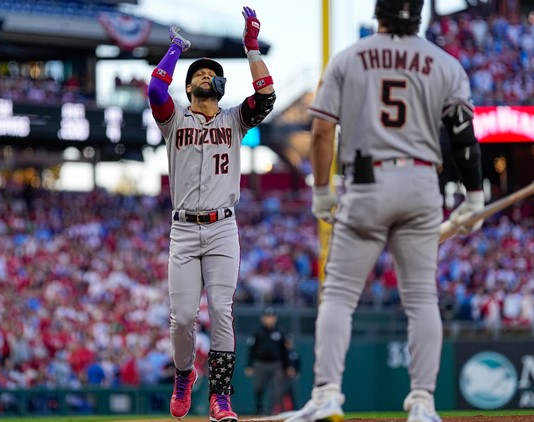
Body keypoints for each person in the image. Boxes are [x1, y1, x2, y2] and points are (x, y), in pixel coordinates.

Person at [287, 1, 484, 421]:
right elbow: (464, 136)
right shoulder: (445, 63)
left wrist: (322, 191)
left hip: (366, 180)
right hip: (420, 182)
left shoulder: (348, 58)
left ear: (379, 13)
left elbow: (322, 130)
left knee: (339, 296)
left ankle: (326, 394)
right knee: (421, 299)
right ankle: (423, 403)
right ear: (419, 16)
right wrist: (474, 196)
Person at [147, 6, 276, 422]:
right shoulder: (174, 119)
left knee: (222, 309)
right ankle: (184, 374)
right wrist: (175, 50)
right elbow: (154, 91)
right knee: (183, 318)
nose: (205, 75)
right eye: (197, 74)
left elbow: (267, 96)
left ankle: (221, 398)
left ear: (220, 84)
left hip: (223, 227)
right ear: (188, 87)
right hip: (184, 229)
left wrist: (251, 46)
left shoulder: (236, 119)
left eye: (210, 73)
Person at [244, 307, 287, 416]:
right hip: (260, 363)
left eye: (271, 317)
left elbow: (285, 351)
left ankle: (275, 411)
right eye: (267, 317)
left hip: (276, 364)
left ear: (275, 318)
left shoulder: (280, 332)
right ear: (263, 318)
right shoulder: (257, 332)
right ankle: (259, 409)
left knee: (277, 390)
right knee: (259, 387)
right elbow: (251, 349)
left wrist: (287, 366)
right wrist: (249, 365)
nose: (269, 319)